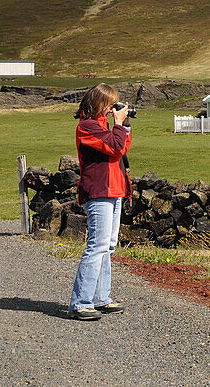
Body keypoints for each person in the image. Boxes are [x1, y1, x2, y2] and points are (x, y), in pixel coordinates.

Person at [68, 83, 132, 320]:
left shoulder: (103, 127)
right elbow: (114, 146)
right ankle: (81, 302)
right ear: (99, 104)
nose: (112, 109)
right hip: (99, 190)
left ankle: (101, 298)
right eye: (110, 104)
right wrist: (118, 125)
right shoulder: (87, 127)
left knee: (108, 246)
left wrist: (124, 124)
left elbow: (122, 147)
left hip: (114, 190)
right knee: (97, 246)